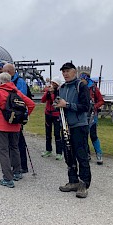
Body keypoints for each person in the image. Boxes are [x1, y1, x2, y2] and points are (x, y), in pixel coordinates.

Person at [0, 73, 35, 188]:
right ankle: (17, 172)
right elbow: (31, 104)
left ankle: (8, 178)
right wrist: (24, 117)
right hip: (16, 125)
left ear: (0, 81)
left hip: (1, 125)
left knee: (3, 151)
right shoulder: (17, 92)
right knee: (14, 148)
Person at [55, 62, 91, 198]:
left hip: (79, 125)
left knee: (81, 154)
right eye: (63, 71)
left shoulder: (81, 86)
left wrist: (68, 105)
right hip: (65, 125)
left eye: (68, 71)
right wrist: (57, 105)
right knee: (68, 154)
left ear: (74, 71)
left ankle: (84, 183)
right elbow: (59, 103)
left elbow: (85, 106)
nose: (65, 74)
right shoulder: (62, 88)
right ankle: (73, 181)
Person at [2, 63, 30, 173]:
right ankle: (13, 164)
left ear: (9, 72)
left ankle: (23, 166)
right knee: (11, 142)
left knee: (19, 142)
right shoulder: (9, 81)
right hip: (9, 116)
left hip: (17, 117)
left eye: (4, 71)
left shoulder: (19, 82)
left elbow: (21, 100)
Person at [79, 72, 105, 165]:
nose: (81, 81)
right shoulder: (79, 87)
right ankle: (87, 153)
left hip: (92, 115)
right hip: (82, 115)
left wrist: (94, 106)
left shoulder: (94, 88)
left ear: (86, 79)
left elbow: (101, 101)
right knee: (83, 135)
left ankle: (99, 153)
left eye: (82, 79)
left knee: (93, 135)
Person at [41, 76, 63, 160]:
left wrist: (53, 93)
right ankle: (48, 150)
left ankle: (59, 152)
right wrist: (47, 93)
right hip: (48, 114)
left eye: (54, 83)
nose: (52, 85)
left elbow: (56, 101)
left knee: (57, 134)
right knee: (48, 133)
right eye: (52, 83)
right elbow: (43, 100)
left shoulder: (59, 92)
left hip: (56, 114)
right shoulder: (48, 92)